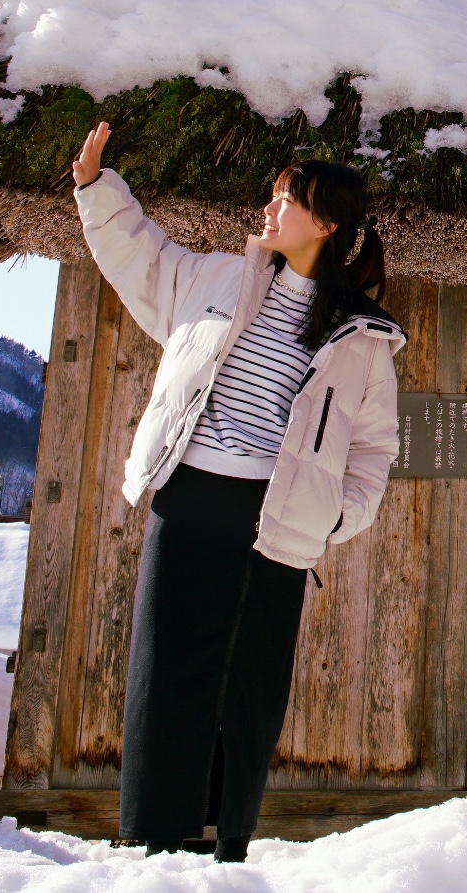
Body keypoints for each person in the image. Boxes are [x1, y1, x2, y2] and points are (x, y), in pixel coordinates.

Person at [69, 121, 404, 860]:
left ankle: (224, 845)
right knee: (167, 667)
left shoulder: (362, 336)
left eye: (288, 199)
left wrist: (333, 517)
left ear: (327, 223)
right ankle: (155, 840)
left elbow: (375, 445)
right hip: (187, 498)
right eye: (275, 194)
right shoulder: (216, 278)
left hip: (273, 523)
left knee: (245, 683)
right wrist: (98, 188)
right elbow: (143, 259)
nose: (270, 207)